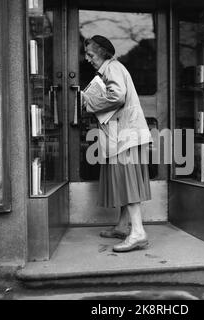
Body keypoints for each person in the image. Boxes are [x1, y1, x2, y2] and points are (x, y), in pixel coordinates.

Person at [81, 35, 152, 253]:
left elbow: (118, 96)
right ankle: (123, 226)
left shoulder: (112, 68)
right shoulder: (114, 68)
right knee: (125, 180)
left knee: (126, 182)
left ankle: (138, 232)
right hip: (126, 133)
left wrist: (90, 102)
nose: (87, 59)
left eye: (90, 54)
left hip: (124, 135)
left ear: (102, 52)